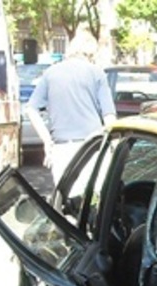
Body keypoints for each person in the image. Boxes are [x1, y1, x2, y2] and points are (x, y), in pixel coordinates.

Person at [26, 31, 116, 185]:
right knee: (93, 200)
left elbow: (31, 109)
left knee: (64, 202)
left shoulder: (50, 73)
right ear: (89, 53)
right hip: (92, 146)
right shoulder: (96, 73)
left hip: (61, 149)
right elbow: (109, 116)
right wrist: (114, 146)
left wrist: (47, 141)